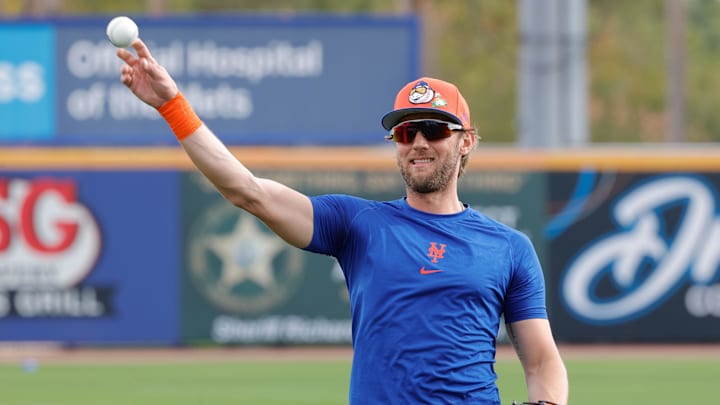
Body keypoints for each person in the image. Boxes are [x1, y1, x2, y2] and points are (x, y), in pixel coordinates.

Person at [117, 38, 569, 405]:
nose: (417, 143)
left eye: (433, 129)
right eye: (405, 132)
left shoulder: (509, 247)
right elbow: (247, 191)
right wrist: (172, 106)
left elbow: (542, 362)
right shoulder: (359, 224)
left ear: (466, 141)